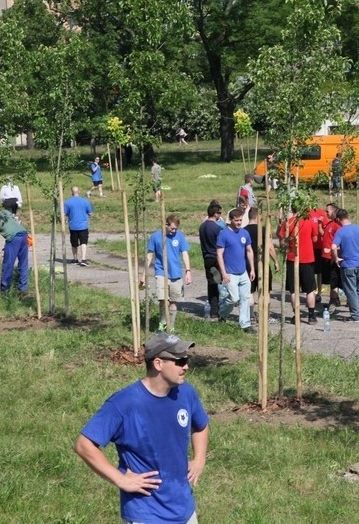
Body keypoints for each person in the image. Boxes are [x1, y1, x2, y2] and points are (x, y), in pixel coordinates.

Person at [74, 333, 209, 524]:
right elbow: (83, 445)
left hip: (185, 510)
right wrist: (120, 479)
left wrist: (199, 459)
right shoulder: (123, 404)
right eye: (180, 361)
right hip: (146, 514)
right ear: (158, 364)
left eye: (187, 359)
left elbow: (201, 425)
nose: (186, 366)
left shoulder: (186, 392)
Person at [144, 215, 192, 333]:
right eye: (171, 228)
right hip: (161, 272)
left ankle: (171, 326)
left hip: (176, 274)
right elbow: (149, 255)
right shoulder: (156, 237)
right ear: (166, 225)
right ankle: (162, 323)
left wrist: (188, 271)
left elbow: (185, 254)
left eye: (175, 229)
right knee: (163, 299)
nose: (173, 231)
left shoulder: (179, 237)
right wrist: (144, 274)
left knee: (173, 301)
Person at [216, 208, 256, 333]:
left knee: (245, 299)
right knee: (233, 299)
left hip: (243, 272)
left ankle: (245, 324)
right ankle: (222, 314)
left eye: (240, 220)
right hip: (230, 273)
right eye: (236, 220)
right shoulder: (224, 234)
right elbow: (219, 254)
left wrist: (252, 269)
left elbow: (249, 251)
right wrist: (223, 273)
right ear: (231, 220)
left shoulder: (244, 233)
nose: (239, 223)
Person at [279, 206, 319, 325]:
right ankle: (311, 315)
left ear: (292, 209)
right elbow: (315, 239)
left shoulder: (287, 223)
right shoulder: (310, 221)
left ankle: (296, 315)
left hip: (292, 258)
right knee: (310, 289)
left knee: (293, 290)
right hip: (307, 258)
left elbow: (282, 242)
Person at [331, 209, 359, 323]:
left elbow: (333, 247)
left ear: (339, 219)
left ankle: (356, 315)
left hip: (348, 265)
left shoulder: (340, 232)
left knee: (351, 290)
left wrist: (336, 258)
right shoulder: (358, 228)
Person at [244, 207, 278, 324]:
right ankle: (266, 316)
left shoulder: (243, 231)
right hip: (262, 264)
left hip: (248, 265)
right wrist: (276, 261)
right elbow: (269, 247)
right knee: (265, 291)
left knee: (250, 291)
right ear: (258, 217)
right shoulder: (263, 230)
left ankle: (251, 316)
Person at [199, 202, 223, 319]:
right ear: (215, 213)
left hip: (206, 257)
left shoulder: (202, 226)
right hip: (216, 259)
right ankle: (218, 309)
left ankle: (214, 309)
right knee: (219, 284)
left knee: (211, 283)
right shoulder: (217, 228)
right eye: (219, 213)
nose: (220, 215)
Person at [0, 208, 29, 294]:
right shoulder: (5, 212)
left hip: (13, 238)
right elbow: (16, 220)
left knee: (8, 263)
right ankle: (23, 288)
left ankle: (5, 289)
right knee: (23, 262)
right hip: (24, 234)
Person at [63, 186, 94, 266]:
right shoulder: (85, 201)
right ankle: (83, 259)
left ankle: (75, 259)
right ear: (79, 191)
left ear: (71, 192)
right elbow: (90, 213)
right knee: (83, 242)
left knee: (74, 243)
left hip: (73, 226)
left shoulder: (67, 202)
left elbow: (64, 214)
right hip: (83, 225)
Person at [320, 203, 342, 312]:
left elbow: (340, 242)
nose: (325, 213)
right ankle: (334, 298)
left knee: (335, 280)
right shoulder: (329, 223)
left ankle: (334, 300)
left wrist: (335, 254)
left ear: (334, 211)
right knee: (330, 280)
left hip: (333, 257)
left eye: (327, 211)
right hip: (326, 257)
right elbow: (324, 235)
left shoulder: (337, 226)